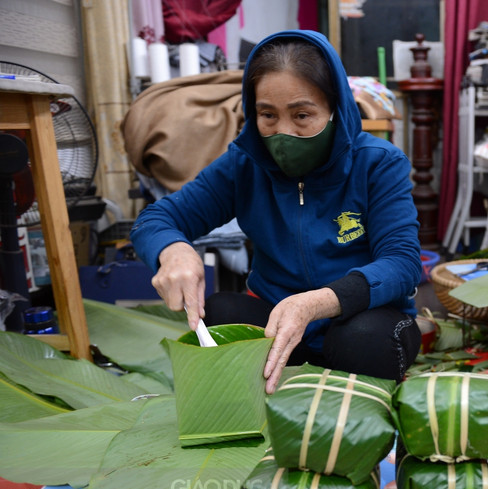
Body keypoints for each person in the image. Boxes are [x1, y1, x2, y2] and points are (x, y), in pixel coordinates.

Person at [131, 30, 422, 393]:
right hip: (281, 327)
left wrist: (319, 302)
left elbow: (402, 263)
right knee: (221, 314)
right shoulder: (245, 164)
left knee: (363, 339)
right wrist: (172, 250)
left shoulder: (378, 163)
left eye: (302, 115)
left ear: (336, 108)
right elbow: (157, 219)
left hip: (364, 322)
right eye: (267, 115)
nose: (283, 133)